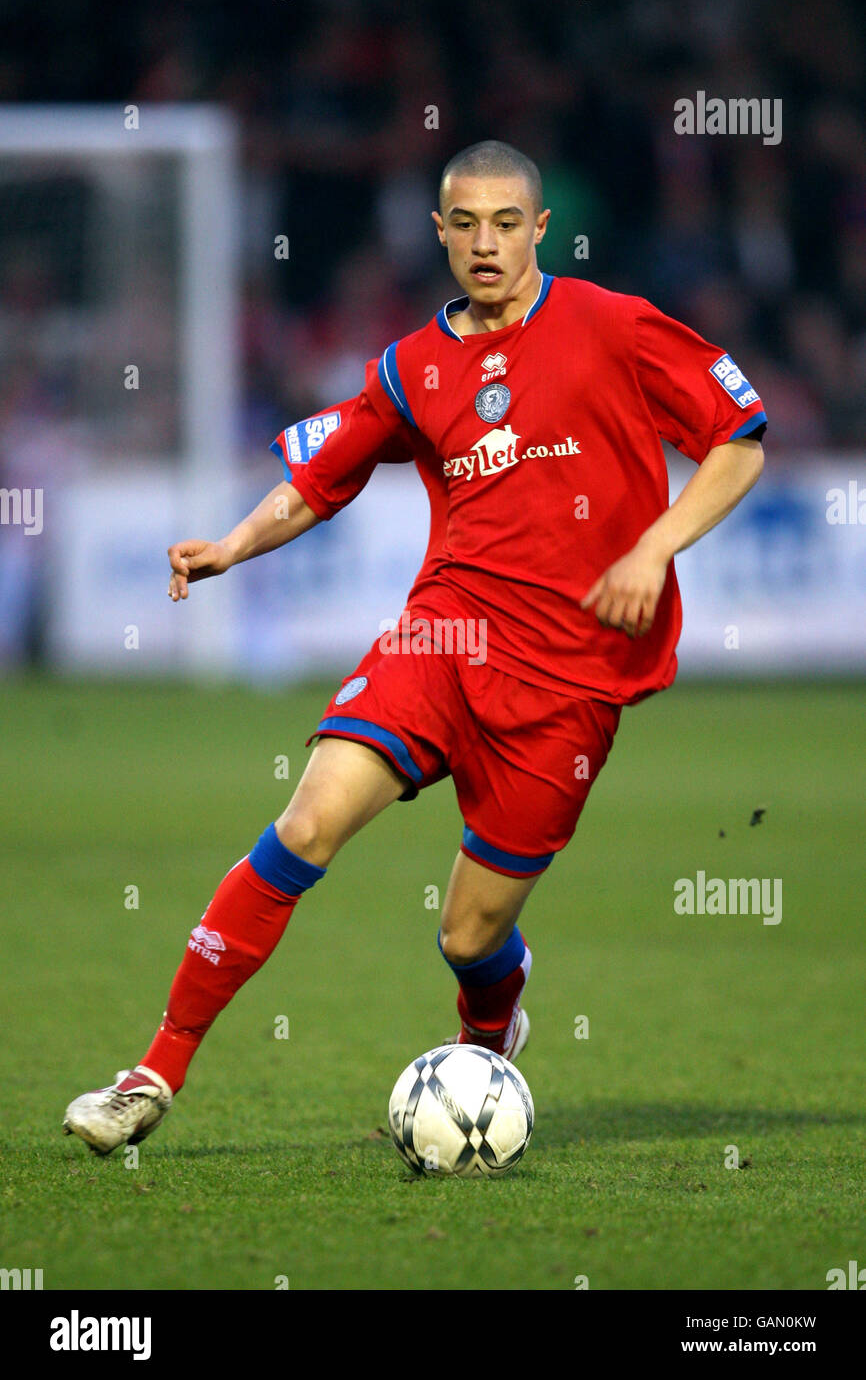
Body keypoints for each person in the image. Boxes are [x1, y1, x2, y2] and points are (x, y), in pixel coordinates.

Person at [63, 140, 766, 1155]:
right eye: (464, 225)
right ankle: (153, 1071)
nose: (484, 244)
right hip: (440, 637)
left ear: (538, 228)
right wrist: (230, 544)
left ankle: (488, 1029)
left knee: (467, 935)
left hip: (567, 685)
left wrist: (653, 548)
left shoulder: (611, 325)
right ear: (437, 232)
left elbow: (737, 437)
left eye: (504, 223)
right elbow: (319, 478)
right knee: (306, 820)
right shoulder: (409, 367)